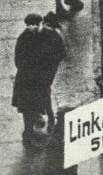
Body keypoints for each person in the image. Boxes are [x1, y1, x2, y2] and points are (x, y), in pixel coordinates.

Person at [12, 13, 67, 146]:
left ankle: (41, 120)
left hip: (37, 77)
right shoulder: (23, 38)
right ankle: (28, 132)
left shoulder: (42, 36)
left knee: (38, 99)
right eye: (31, 25)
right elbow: (18, 60)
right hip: (26, 78)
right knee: (26, 106)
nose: (34, 27)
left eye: (36, 24)